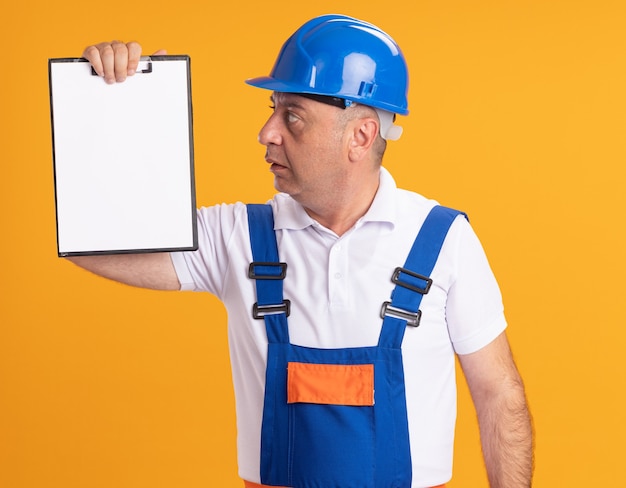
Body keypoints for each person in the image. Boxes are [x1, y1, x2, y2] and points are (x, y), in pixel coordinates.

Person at [73, 14, 533, 488]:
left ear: (361, 135)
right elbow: (90, 245)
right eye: (272, 109)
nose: (267, 132)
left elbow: (500, 395)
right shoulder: (236, 236)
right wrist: (114, 108)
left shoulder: (442, 241)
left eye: (292, 116)